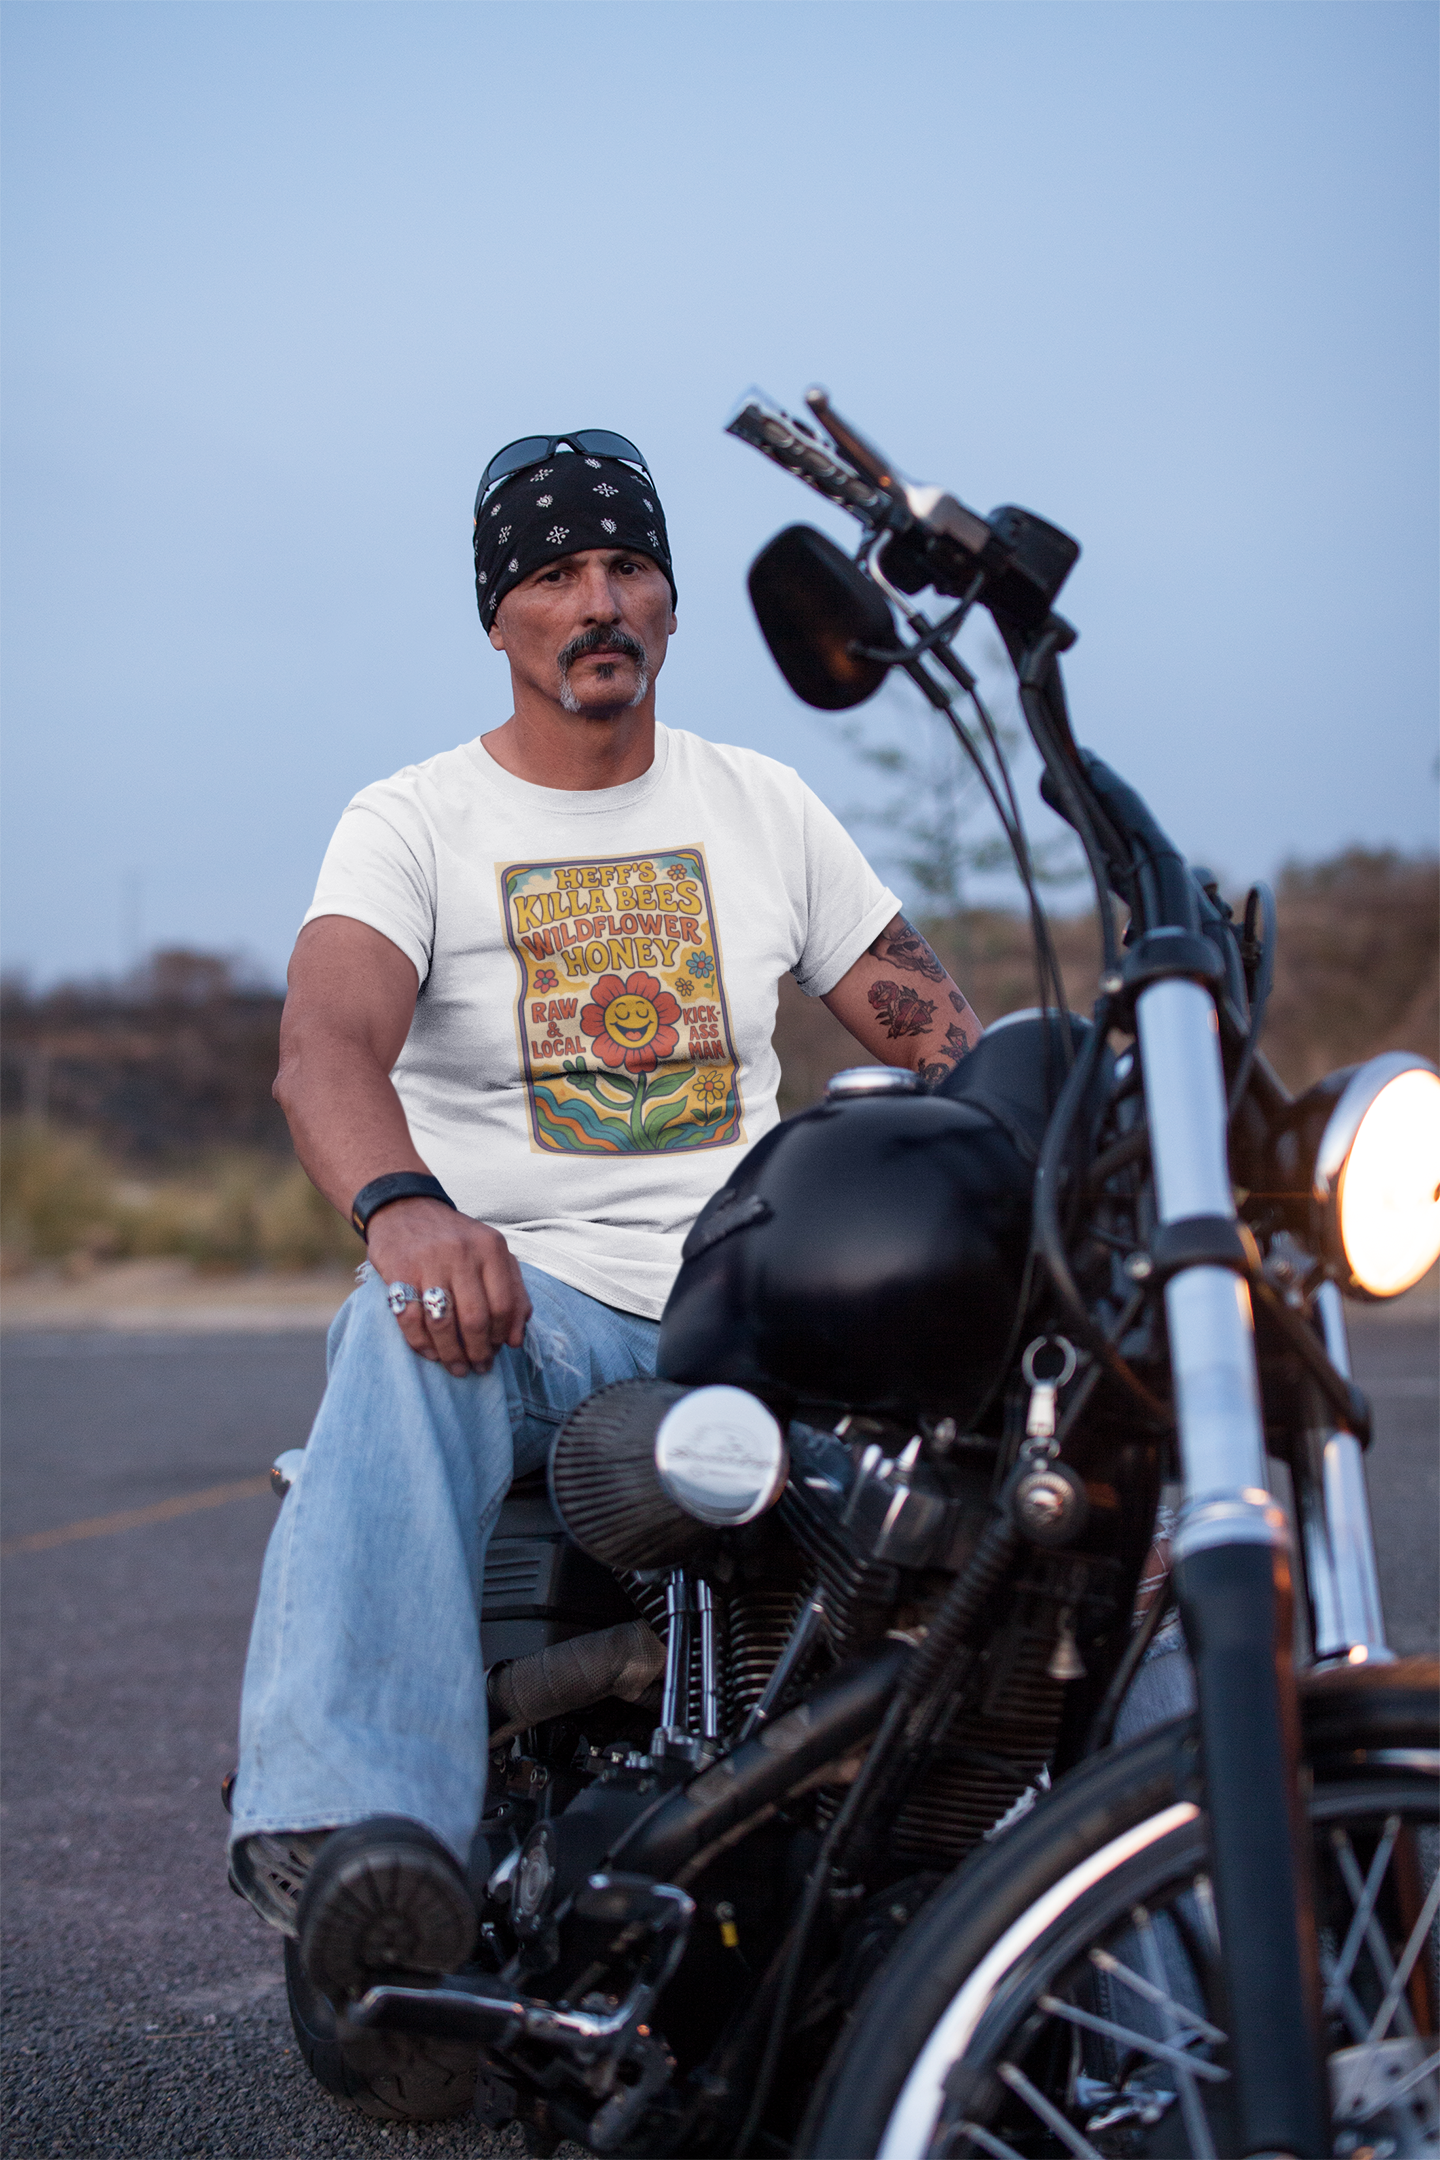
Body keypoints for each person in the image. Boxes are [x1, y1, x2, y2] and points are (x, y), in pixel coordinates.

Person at [228, 429, 984, 2000]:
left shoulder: (764, 806)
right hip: (535, 1303)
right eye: (557, 573)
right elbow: (325, 1048)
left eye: (628, 565)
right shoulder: (413, 821)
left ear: (671, 603)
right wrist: (404, 1208)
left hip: (756, 1300)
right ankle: (355, 1839)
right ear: (498, 614)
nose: (598, 602)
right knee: (401, 1329)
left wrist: (1056, 1117)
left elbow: (940, 1037)